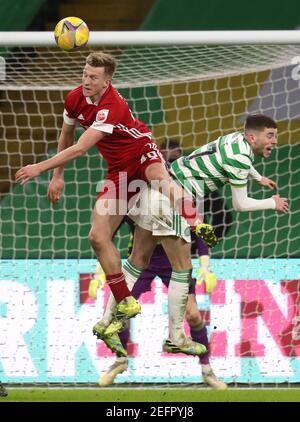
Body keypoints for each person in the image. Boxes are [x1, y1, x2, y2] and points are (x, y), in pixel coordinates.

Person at [15, 52, 215, 356]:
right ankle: (125, 300)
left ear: (107, 81)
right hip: (119, 171)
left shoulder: (113, 105)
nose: (86, 81)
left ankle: (194, 220)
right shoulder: (74, 99)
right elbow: (67, 134)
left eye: (93, 77)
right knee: (97, 236)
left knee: (161, 179)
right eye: (84, 74)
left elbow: (81, 148)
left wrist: (39, 167)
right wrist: (57, 177)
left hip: (141, 151)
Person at [97, 114, 288, 361]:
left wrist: (257, 177)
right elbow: (240, 204)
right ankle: (176, 337)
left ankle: (105, 320)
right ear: (252, 137)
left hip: (155, 189)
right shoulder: (240, 158)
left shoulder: (235, 140)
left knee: (136, 261)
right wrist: (271, 203)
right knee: (182, 270)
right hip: (175, 199)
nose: (274, 141)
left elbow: (240, 161)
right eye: (270, 136)